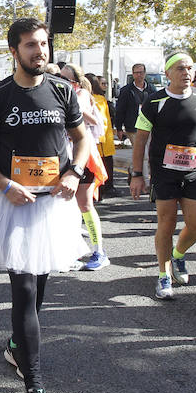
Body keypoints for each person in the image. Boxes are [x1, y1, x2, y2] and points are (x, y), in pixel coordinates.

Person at [0, 19, 90, 393]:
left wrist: (75, 172)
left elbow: (82, 137)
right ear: (14, 51)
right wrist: (5, 185)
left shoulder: (63, 90)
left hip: (53, 205)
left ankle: (17, 346)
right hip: (15, 205)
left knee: (38, 289)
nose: (39, 51)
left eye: (43, 44)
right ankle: (35, 389)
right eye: (30, 45)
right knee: (23, 289)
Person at [130, 53, 196, 299]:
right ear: (168, 73)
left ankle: (178, 254)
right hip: (163, 172)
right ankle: (163, 275)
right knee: (166, 223)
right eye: (180, 68)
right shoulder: (154, 101)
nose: (186, 72)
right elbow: (141, 141)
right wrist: (138, 174)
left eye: (190, 68)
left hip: (193, 170)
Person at [61, 64, 109, 270]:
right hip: (66, 156)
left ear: (76, 82)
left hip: (83, 157)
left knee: (84, 204)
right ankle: (72, 252)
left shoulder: (79, 94)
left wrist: (75, 111)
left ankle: (99, 251)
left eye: (66, 79)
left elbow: (97, 123)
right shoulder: (65, 94)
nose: (61, 82)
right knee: (68, 205)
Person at [115, 64, 157, 151]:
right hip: (132, 127)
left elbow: (156, 108)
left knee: (150, 151)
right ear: (133, 74)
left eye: (141, 72)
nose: (139, 75)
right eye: (136, 73)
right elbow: (120, 110)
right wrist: (119, 128)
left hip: (149, 126)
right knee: (138, 151)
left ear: (145, 73)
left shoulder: (152, 89)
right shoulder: (126, 90)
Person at [89, 73, 117, 195]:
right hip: (104, 138)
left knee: (101, 165)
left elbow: (101, 121)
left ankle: (102, 189)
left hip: (100, 139)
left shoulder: (96, 99)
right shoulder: (100, 98)